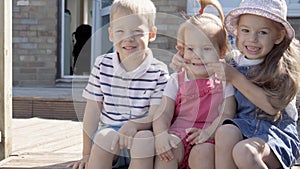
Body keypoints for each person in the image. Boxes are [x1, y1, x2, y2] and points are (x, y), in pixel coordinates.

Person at [171, 0, 300, 168]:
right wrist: (183, 60)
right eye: (245, 30)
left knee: (244, 151)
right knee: (224, 130)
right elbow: (205, 61)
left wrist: (235, 77)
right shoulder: (234, 61)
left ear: (279, 36)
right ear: (237, 31)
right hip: (240, 128)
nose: (252, 39)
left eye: (262, 33)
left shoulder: (282, 66)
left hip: (273, 135)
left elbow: (271, 108)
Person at [68, 0, 169, 168]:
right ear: (111, 34)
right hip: (110, 136)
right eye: (120, 31)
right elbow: (92, 110)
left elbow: (156, 114)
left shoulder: (158, 71)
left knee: (144, 140)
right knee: (103, 138)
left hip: (142, 133)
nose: (128, 39)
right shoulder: (102, 64)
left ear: (151, 34)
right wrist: (86, 153)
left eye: (137, 32)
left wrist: (133, 125)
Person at [152, 0, 236, 169]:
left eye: (206, 49)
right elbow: (163, 112)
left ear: (221, 52)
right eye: (191, 49)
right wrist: (161, 135)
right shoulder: (176, 80)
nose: (197, 56)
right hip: (178, 135)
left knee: (202, 154)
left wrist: (208, 132)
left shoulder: (224, 81)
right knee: (168, 151)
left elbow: (227, 114)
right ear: (181, 50)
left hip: (207, 137)